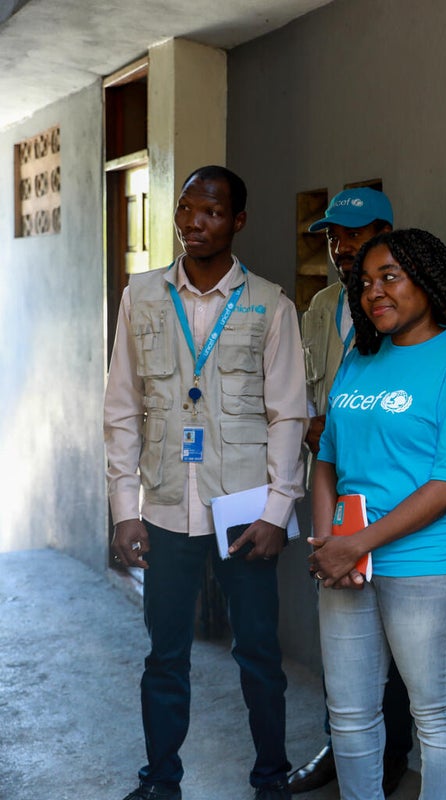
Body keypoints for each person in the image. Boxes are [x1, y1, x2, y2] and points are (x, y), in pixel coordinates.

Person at [105, 165, 306, 800]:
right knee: (165, 656)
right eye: (187, 209)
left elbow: (288, 413)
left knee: (258, 654)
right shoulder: (140, 297)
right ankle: (160, 781)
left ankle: (269, 778)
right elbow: (120, 409)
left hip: (244, 510)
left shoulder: (270, 304)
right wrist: (123, 508)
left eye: (212, 212)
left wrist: (277, 511)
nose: (195, 223)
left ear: (238, 221)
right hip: (165, 507)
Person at [308, 229, 446, 800]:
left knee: (435, 718)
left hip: (432, 566)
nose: (375, 292)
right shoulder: (359, 360)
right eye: (365, 282)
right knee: (348, 715)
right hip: (348, 564)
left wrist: (356, 543)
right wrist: (328, 543)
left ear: (429, 280)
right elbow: (327, 459)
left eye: (390, 276)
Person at [290, 188, 414, 796]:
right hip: (332, 486)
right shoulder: (319, 308)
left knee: (389, 639)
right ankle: (340, 747)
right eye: (333, 236)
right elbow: (312, 396)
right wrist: (312, 424)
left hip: (392, 497)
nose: (341, 247)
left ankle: (389, 759)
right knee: (342, 633)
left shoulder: (405, 304)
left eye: (354, 234)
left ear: (385, 232)